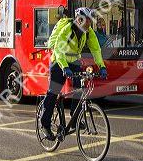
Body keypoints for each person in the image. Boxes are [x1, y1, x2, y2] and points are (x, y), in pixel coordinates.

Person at [40, 7, 107, 141]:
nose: (88, 23)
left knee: (79, 89)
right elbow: (58, 50)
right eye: (86, 20)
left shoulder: (89, 32)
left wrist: (102, 66)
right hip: (59, 61)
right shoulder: (67, 30)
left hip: (75, 61)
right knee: (53, 92)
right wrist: (65, 67)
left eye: (89, 21)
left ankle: (75, 117)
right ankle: (45, 125)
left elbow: (96, 49)